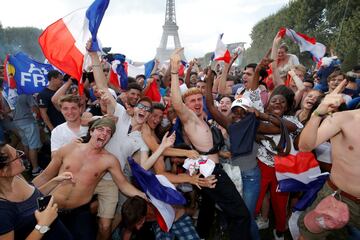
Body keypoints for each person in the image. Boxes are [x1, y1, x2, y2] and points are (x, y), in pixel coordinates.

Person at [170, 48, 251, 240]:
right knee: (241, 214)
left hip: (210, 167)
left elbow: (206, 145)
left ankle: (202, 234)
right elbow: (176, 103)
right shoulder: (188, 118)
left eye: (199, 100)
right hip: (211, 172)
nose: (197, 103)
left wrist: (220, 154)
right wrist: (175, 72)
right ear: (186, 105)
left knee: (207, 207)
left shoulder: (201, 119)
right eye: (192, 101)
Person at [33, 117, 146, 240]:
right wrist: (26, 192)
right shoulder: (68, 149)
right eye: (100, 129)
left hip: (79, 213)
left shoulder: (109, 160)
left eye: (108, 132)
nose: (104, 133)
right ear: (91, 131)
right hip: (52, 208)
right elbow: (45, 175)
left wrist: (145, 196)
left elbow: (123, 185)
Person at [298, 79, 360, 239]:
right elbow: (305, 147)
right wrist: (318, 113)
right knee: (308, 235)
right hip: (339, 197)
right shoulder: (344, 119)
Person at [0, 143, 73, 239]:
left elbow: (33, 197)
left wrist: (54, 182)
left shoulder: (16, 176)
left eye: (18, 152)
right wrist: (43, 224)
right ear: (3, 171)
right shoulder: (2, 211)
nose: (22, 155)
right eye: (16, 157)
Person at [12, 94, 43, 176]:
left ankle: (29, 164)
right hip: (28, 122)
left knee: (26, 144)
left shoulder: (12, 94)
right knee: (33, 146)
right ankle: (35, 168)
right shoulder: (26, 94)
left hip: (17, 122)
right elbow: (34, 109)